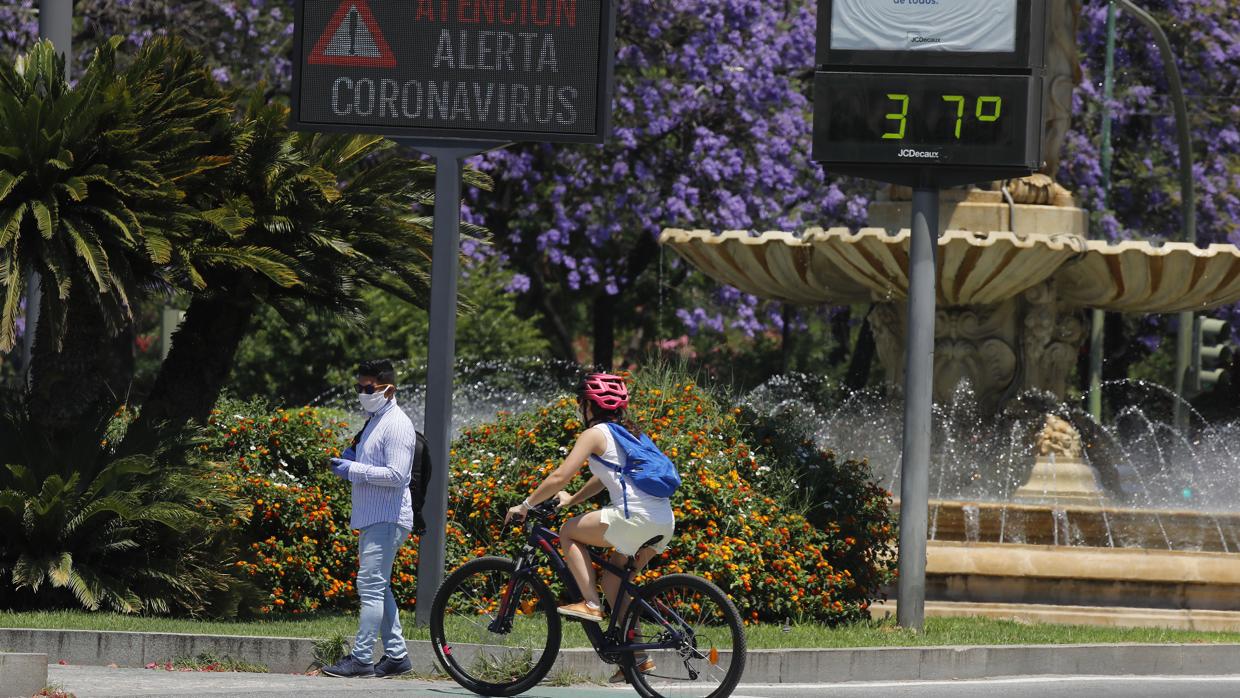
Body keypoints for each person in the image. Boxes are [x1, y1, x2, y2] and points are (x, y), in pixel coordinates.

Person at [505, 373, 675, 683]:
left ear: (587, 406)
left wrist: (525, 506)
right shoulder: (629, 433)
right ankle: (636, 655)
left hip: (633, 517)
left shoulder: (595, 433)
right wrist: (572, 500)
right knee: (613, 581)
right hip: (662, 521)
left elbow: (560, 476)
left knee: (569, 531)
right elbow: (602, 477)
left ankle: (591, 603)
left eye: (580, 404)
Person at [321, 359, 417, 679]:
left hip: (387, 518)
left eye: (369, 388)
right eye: (358, 388)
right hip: (374, 517)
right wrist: (350, 460)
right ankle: (396, 655)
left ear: (389, 389)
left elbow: (396, 474)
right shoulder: (374, 421)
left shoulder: (397, 424)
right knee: (379, 587)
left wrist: (354, 469)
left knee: (371, 587)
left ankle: (362, 659)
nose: (362, 393)